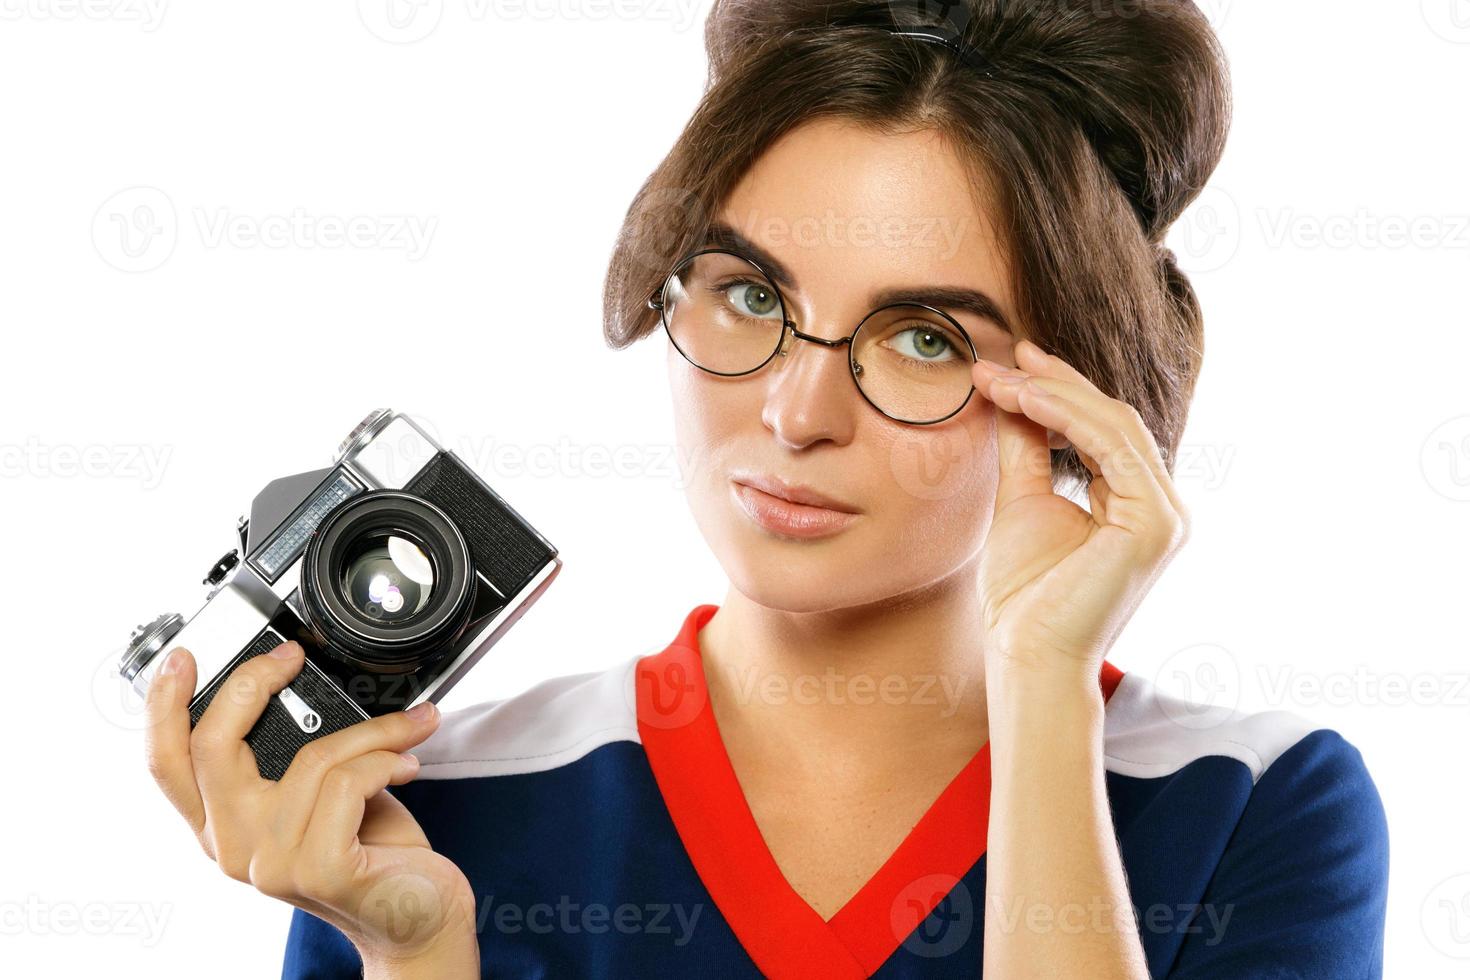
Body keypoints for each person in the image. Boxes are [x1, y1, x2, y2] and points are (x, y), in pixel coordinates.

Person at [142, 2, 1390, 976]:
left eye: (925, 339)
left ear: (1074, 395)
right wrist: (415, 954)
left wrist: (1046, 685)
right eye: (750, 297)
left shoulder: (1256, 804)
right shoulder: (423, 808)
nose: (795, 413)